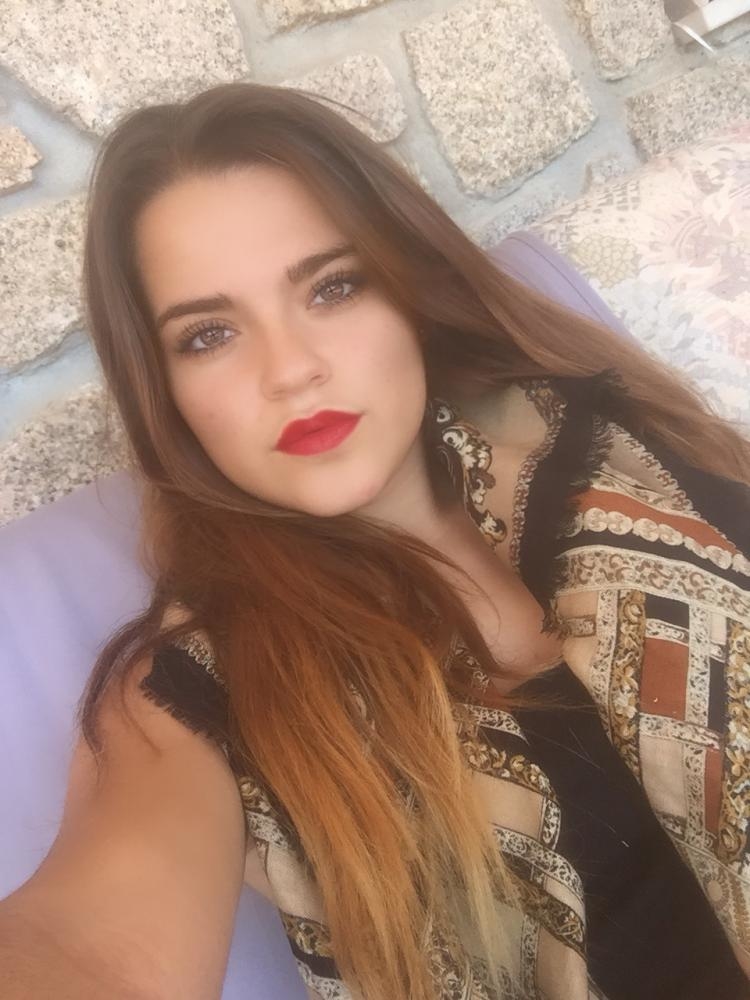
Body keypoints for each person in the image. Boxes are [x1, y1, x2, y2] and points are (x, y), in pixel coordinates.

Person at [0, 81, 748, 1000]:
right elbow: (87, 950)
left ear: (409, 288)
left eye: (333, 287)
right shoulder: (200, 689)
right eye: (209, 335)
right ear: (165, 393)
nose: (291, 369)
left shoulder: (620, 440)